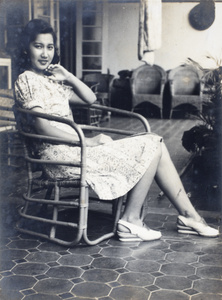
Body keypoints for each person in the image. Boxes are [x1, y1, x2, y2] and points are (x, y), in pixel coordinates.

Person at [14, 19, 219, 242]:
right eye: (39, 46)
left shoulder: (51, 81)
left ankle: (185, 216)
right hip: (60, 158)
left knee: (154, 143)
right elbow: (42, 126)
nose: (45, 53)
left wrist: (69, 77)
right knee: (152, 144)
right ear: (27, 47)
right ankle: (137, 219)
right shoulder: (27, 80)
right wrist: (87, 141)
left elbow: (90, 99)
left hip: (75, 149)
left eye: (50, 47)